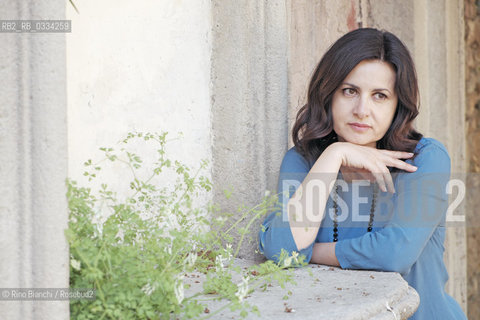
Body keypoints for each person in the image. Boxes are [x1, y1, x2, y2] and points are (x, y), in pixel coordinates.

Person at [258, 28, 466, 320]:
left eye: (379, 96)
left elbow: (395, 254)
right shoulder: (304, 161)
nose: (361, 110)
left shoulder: (425, 159)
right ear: (328, 94)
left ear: (397, 106)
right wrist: (334, 155)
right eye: (349, 91)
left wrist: (310, 252)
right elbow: (283, 251)